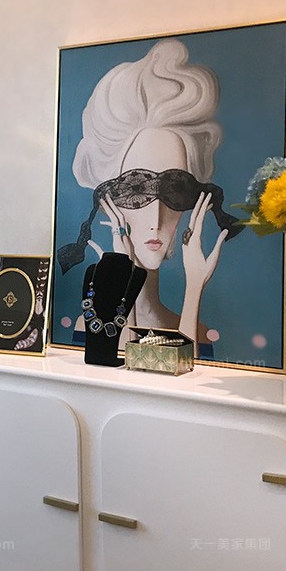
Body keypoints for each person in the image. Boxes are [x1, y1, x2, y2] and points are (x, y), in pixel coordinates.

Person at [59, 39, 241, 346]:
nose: (156, 218)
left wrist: (195, 286)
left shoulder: (196, 332)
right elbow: (123, 354)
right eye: (136, 190)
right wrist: (122, 277)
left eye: (175, 190)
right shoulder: (85, 326)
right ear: (109, 202)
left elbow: (184, 368)